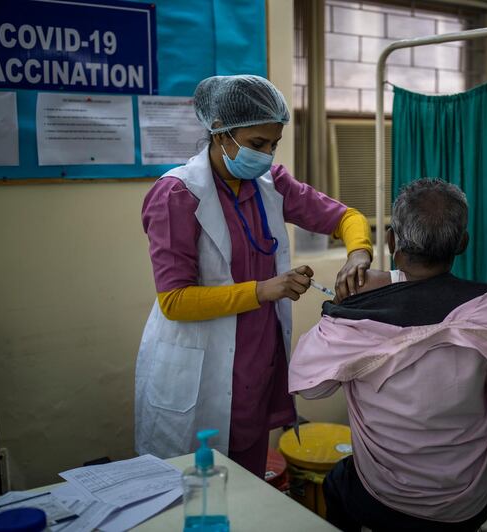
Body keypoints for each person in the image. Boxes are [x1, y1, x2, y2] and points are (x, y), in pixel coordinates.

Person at [135, 75, 373, 478]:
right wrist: (265, 290)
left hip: (254, 366)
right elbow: (174, 301)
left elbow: (346, 217)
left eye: (273, 144)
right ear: (221, 133)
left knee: (247, 483)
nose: (266, 155)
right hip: (199, 371)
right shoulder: (177, 195)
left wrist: (359, 252)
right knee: (193, 492)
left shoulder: (271, 184)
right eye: (257, 144)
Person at [289, 179, 487, 531]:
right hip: (464, 502)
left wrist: (338, 307)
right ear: (462, 243)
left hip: (383, 498)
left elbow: (310, 388)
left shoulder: (355, 317)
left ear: (391, 241)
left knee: (338, 484)